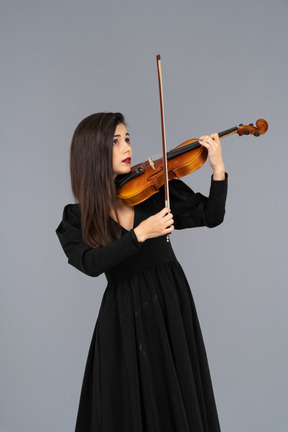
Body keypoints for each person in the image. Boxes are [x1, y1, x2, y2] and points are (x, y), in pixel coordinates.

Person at [56, 112, 228, 432]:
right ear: (92, 152)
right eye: (115, 141)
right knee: (127, 404)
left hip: (169, 302)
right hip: (122, 314)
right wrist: (139, 235)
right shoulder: (77, 217)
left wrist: (217, 168)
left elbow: (210, 214)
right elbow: (92, 264)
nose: (126, 147)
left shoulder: (155, 188)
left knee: (175, 395)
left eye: (127, 139)